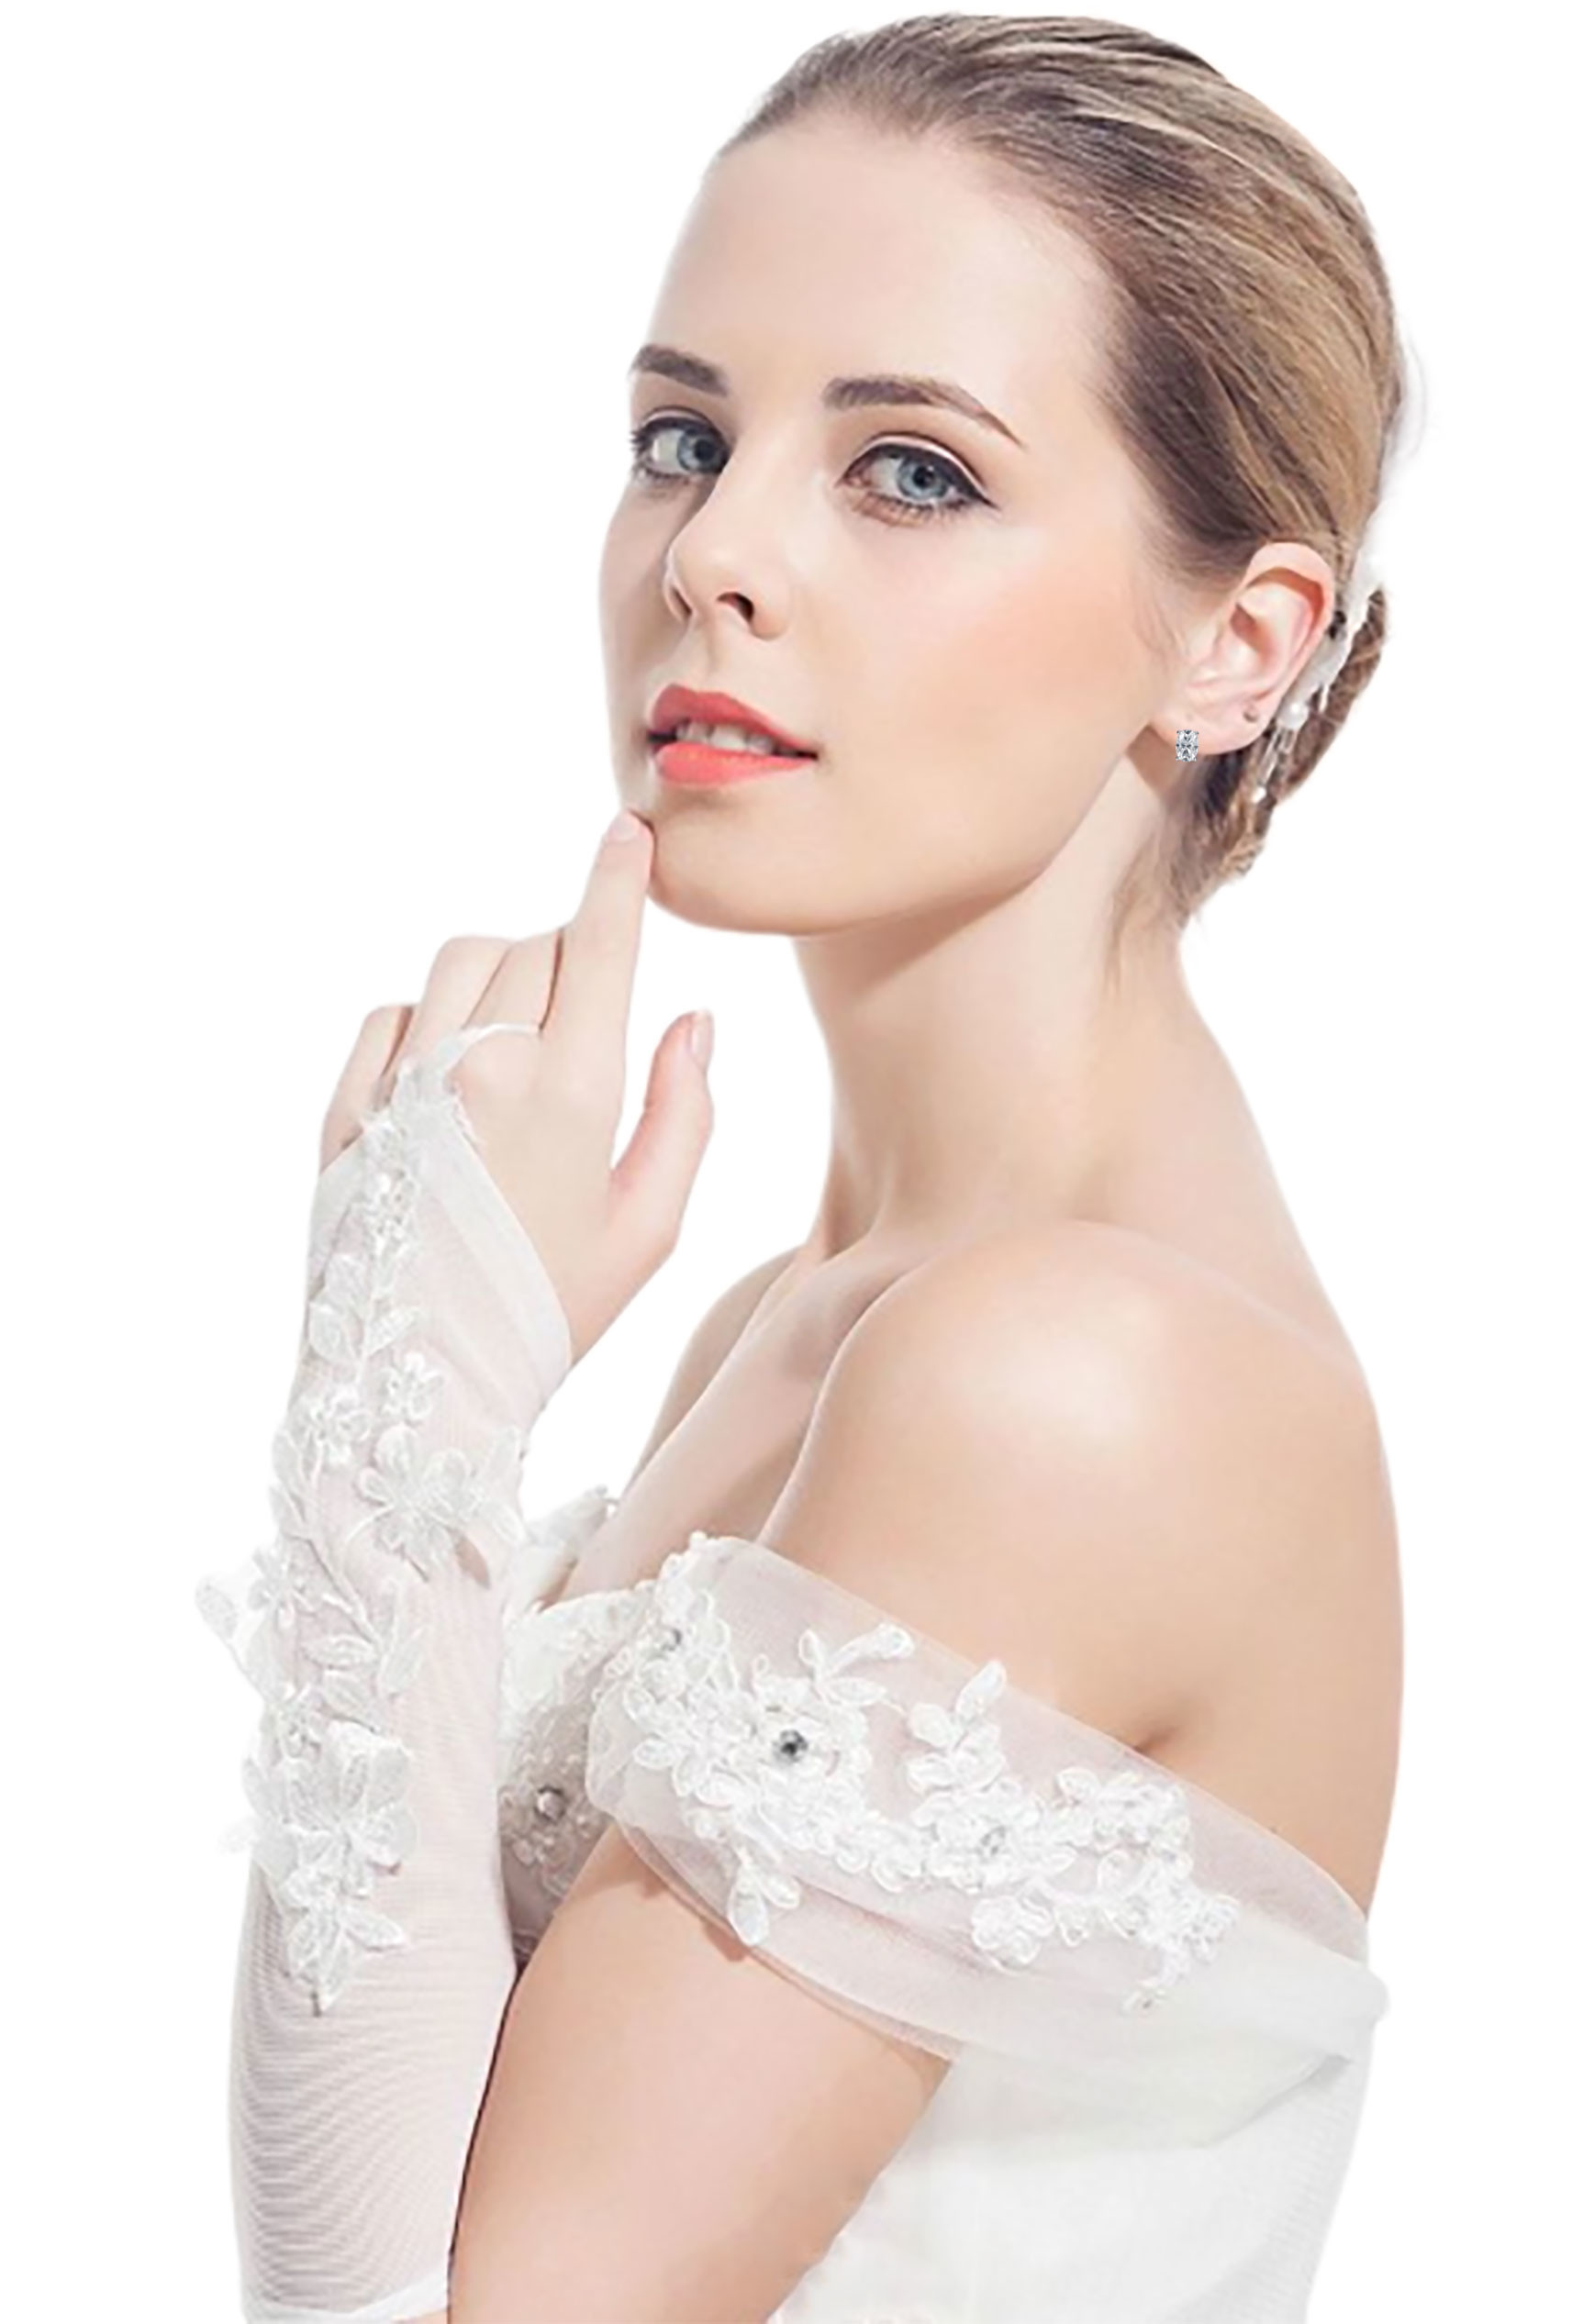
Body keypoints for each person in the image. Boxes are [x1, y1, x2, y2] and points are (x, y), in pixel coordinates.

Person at [197, 17, 1412, 2320]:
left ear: (1232, 645)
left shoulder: (1072, 1378)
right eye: (682, 438)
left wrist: (398, 1405)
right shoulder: (802, 1318)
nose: (712, 554)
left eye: (911, 472)